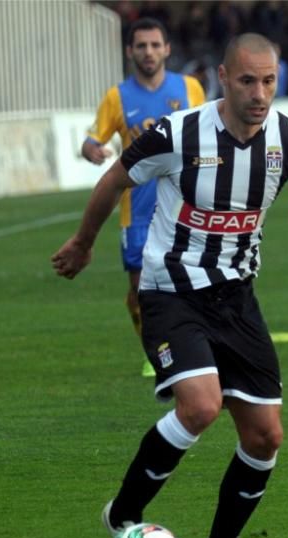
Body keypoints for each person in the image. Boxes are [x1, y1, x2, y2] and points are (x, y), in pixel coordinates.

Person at [52, 33, 288, 538]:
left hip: (237, 298)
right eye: (247, 81)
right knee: (200, 406)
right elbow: (114, 179)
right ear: (222, 76)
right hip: (171, 291)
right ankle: (124, 515)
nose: (260, 93)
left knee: (266, 435)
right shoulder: (179, 132)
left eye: (269, 81)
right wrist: (83, 241)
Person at [82, 18, 206, 378]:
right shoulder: (116, 97)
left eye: (155, 45)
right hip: (136, 211)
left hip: (187, 204)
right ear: (129, 51)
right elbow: (93, 138)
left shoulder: (190, 88)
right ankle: (157, 354)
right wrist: (91, 149)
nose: (149, 52)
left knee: (194, 282)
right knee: (139, 292)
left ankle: (191, 351)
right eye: (141, 46)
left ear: (167, 49)